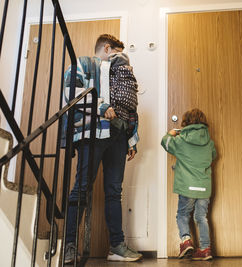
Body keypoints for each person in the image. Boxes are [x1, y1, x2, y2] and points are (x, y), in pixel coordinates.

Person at [62, 34, 141, 263]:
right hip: (92, 133)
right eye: (117, 51)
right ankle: (69, 245)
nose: (122, 58)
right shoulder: (82, 65)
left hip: (118, 135)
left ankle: (116, 246)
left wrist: (132, 138)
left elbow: (129, 105)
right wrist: (102, 106)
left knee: (114, 192)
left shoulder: (120, 72)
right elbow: (71, 93)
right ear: (107, 48)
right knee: (82, 187)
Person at [161, 108, 217, 261]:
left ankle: (186, 241)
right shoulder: (209, 142)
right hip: (204, 187)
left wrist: (170, 133)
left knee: (183, 215)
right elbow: (213, 156)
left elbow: (164, 143)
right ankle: (205, 249)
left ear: (185, 123)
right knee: (201, 217)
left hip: (187, 187)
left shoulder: (180, 140)